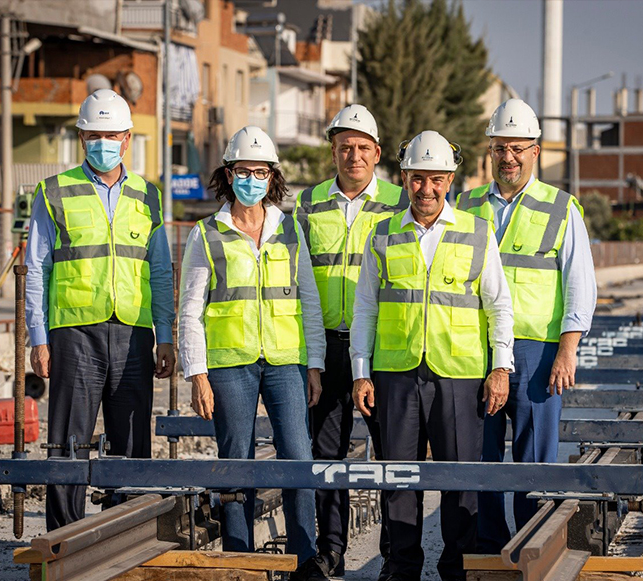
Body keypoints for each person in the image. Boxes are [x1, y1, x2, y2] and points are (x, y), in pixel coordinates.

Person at [350, 131, 515, 581]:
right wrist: (360, 373)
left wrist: (501, 366)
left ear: (450, 180)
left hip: (459, 374)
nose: (427, 189)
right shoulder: (382, 233)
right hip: (395, 373)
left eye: (436, 179)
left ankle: (456, 569)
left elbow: (498, 304)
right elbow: (365, 306)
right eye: (418, 179)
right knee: (397, 477)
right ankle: (401, 567)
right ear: (404, 178)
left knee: (460, 480)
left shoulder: (477, 232)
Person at [178, 126, 325, 580]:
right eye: (244, 171)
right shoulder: (206, 235)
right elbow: (189, 312)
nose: (252, 179)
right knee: (235, 462)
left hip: (286, 362)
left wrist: (315, 364)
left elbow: (309, 303)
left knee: (298, 457)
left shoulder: (290, 230)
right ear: (229, 173)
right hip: (229, 365)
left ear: (271, 177)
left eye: (260, 172)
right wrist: (197, 375)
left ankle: (304, 560)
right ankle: (240, 558)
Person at [25, 88, 175, 531]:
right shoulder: (54, 191)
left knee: (131, 438)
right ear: (80, 136)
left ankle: (127, 530)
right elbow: (36, 268)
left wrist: (163, 334)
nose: (103, 144)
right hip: (74, 333)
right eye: (94, 135)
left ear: (128, 139)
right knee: (68, 441)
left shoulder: (148, 195)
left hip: (133, 334)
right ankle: (65, 536)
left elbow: (161, 271)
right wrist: (38, 338)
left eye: (112, 135)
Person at [455, 98, 597, 552]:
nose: (508, 158)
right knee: (481, 451)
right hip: (475, 346)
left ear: (536, 150)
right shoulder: (465, 203)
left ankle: (531, 545)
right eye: (500, 148)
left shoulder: (561, 207)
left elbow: (580, 283)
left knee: (534, 457)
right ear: (489, 151)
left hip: (538, 352)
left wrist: (568, 349)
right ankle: (487, 548)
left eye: (517, 148)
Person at [294, 104, 408, 580]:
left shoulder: (401, 203)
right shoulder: (308, 203)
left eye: (362, 148)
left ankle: (394, 556)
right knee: (327, 456)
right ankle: (332, 552)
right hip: (325, 348)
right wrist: (311, 355)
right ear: (333, 151)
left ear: (377, 153)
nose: (353, 156)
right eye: (345, 147)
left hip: (382, 349)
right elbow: (297, 280)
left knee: (390, 455)